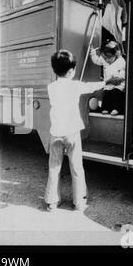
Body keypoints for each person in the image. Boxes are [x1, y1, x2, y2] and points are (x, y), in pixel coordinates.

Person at [45, 50, 105, 212]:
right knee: (77, 166)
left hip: (56, 132)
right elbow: (91, 87)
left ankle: (52, 201)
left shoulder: (51, 87)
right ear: (71, 71)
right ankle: (79, 202)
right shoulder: (75, 86)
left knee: (54, 167)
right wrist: (106, 82)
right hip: (72, 132)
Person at [90, 41, 126, 115]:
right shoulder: (104, 60)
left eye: (109, 58)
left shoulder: (121, 62)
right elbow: (96, 60)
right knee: (106, 94)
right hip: (108, 83)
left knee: (116, 93)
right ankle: (105, 108)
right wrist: (93, 52)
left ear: (115, 55)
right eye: (105, 58)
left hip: (118, 84)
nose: (107, 60)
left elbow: (123, 74)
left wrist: (119, 78)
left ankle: (116, 108)